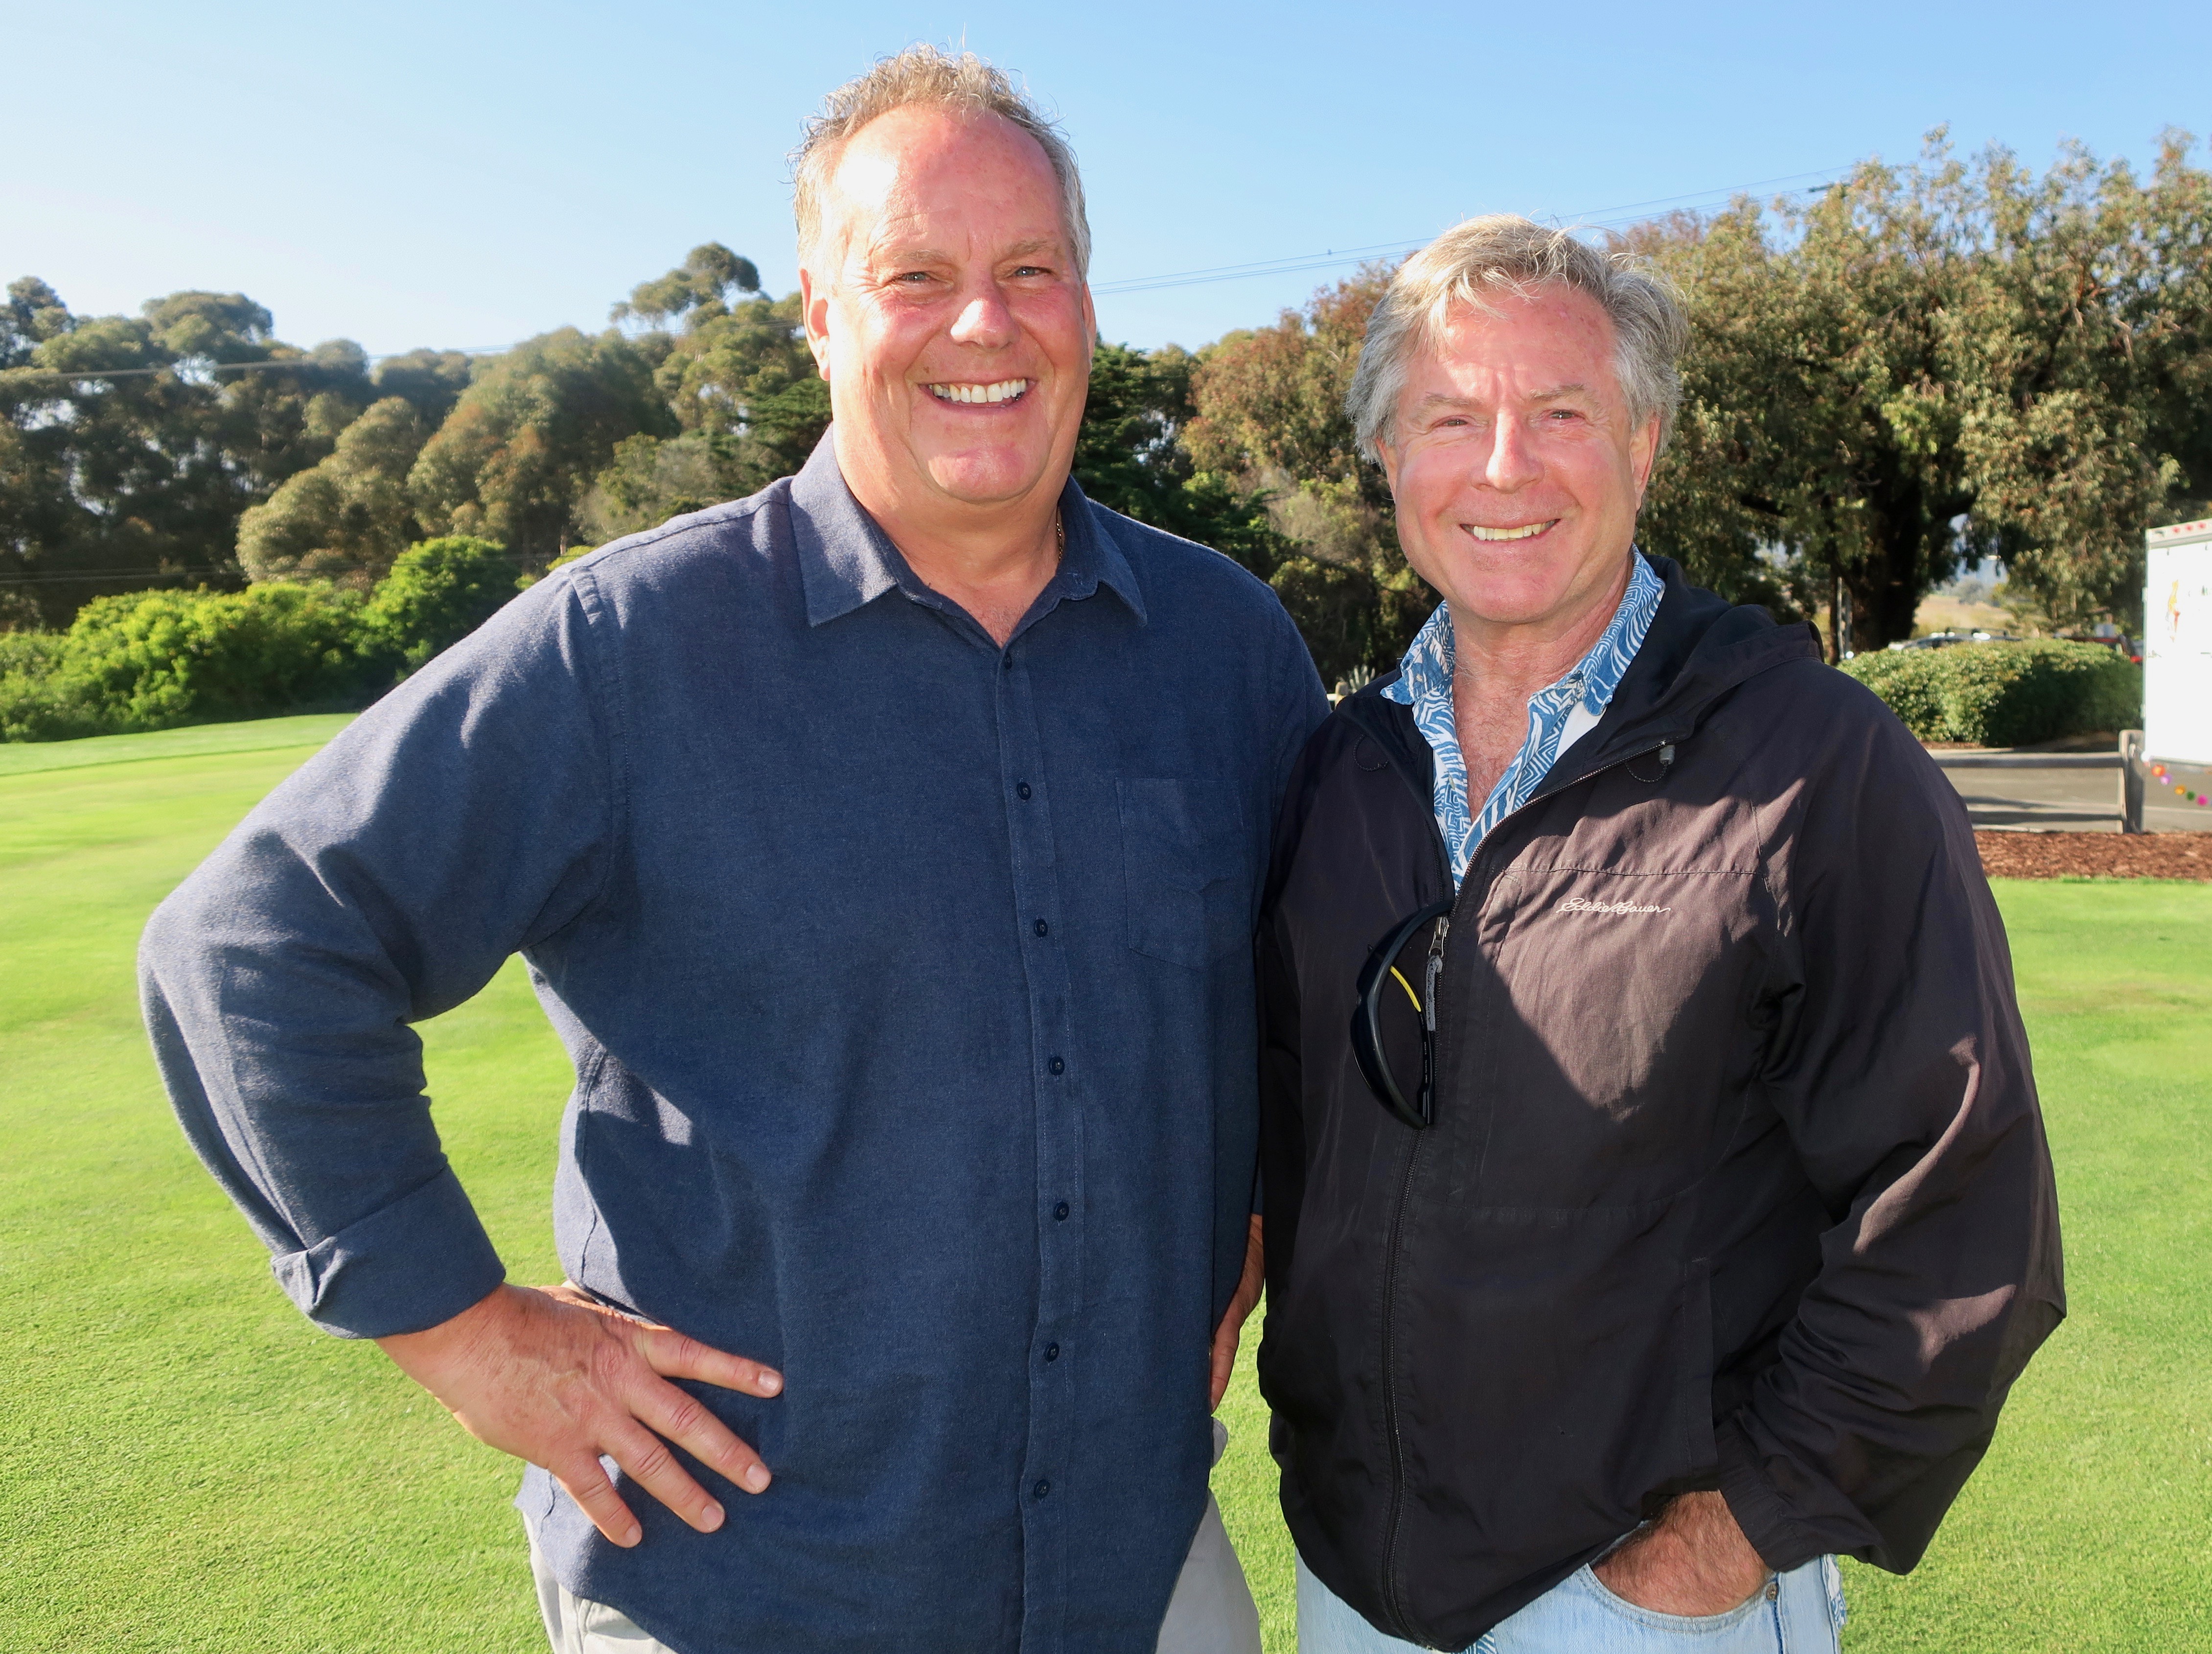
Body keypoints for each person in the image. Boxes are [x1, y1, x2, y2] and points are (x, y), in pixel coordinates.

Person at [140, 47, 1325, 1654]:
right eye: (917, 276)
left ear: (1087, 305)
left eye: (1031, 270)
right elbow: (250, 948)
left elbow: (1298, 990)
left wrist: (1248, 1206)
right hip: (743, 1581)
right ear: (823, 317)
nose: (985, 323)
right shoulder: (628, 646)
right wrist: (471, 1334)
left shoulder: (1226, 646)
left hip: (1131, 1564)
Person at [1253, 216, 2064, 1654]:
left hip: (1642, 1599)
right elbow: (1284, 1140)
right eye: (1450, 418)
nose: (1506, 466)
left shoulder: (1817, 767)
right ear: (1387, 458)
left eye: (1562, 414)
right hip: (1356, 1585)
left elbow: (1964, 1203)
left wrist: (1731, 1530)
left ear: (1646, 445)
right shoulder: (1341, 772)